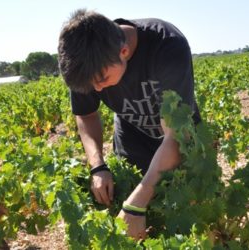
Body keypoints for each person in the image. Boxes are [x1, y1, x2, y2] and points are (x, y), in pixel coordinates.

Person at [58, 9, 200, 240]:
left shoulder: (167, 46)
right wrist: (98, 166)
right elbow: (86, 115)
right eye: (90, 86)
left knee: (188, 222)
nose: (97, 90)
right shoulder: (86, 61)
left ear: (123, 51)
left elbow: (175, 137)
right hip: (132, 139)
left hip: (180, 141)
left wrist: (136, 204)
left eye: (102, 80)